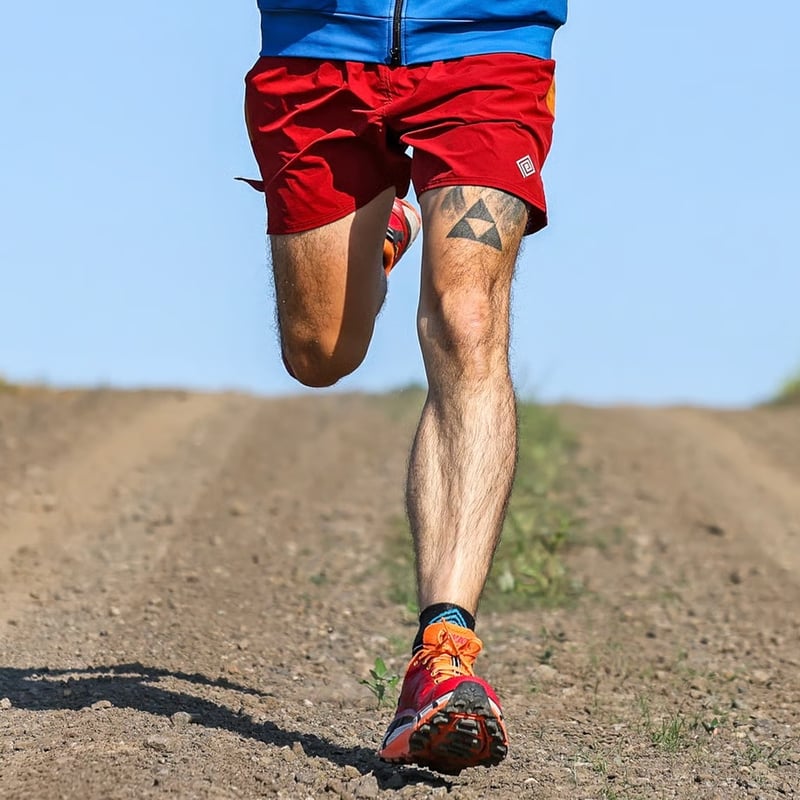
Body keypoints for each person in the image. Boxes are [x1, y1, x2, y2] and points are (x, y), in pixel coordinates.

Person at [243, 0, 567, 775]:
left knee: (468, 318)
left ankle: (444, 653)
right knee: (319, 351)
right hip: (317, 46)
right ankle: (384, 233)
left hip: (487, 44)